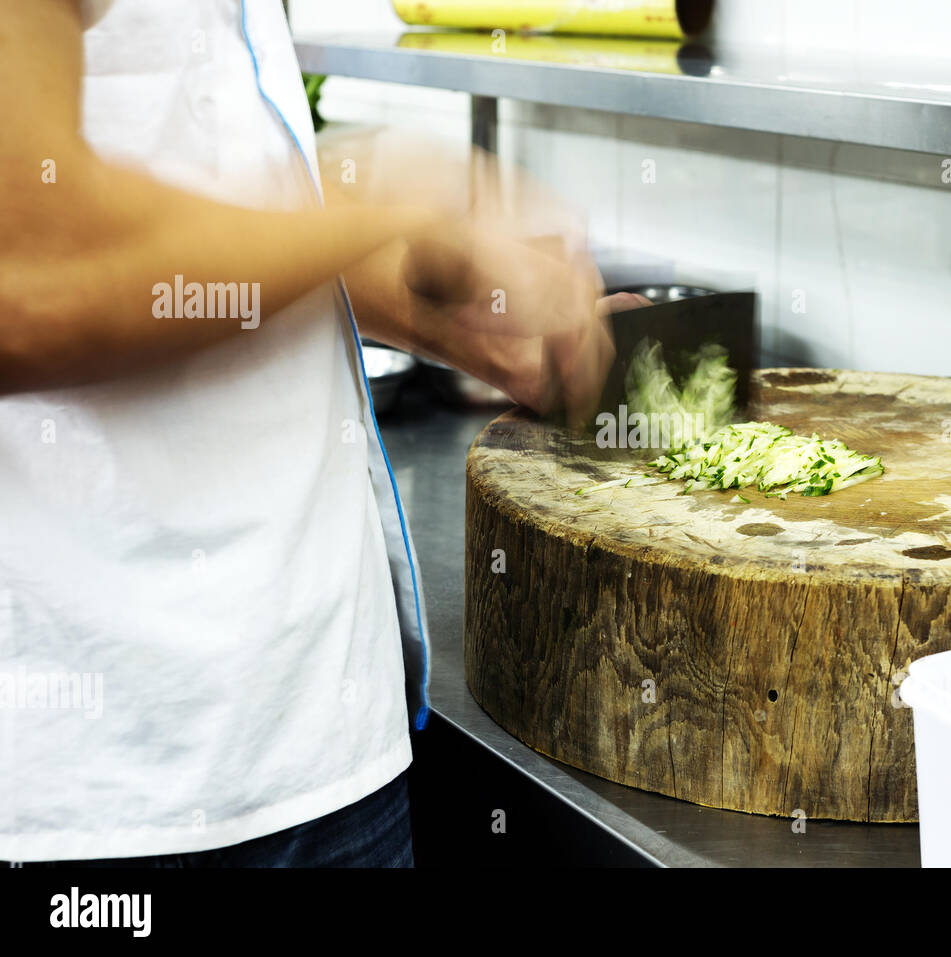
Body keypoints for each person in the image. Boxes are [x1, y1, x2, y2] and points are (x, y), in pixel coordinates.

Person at [0, 0, 636, 867]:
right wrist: (388, 204)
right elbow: (24, 276)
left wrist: (472, 318)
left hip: (316, 738)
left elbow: (206, 197)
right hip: (113, 784)